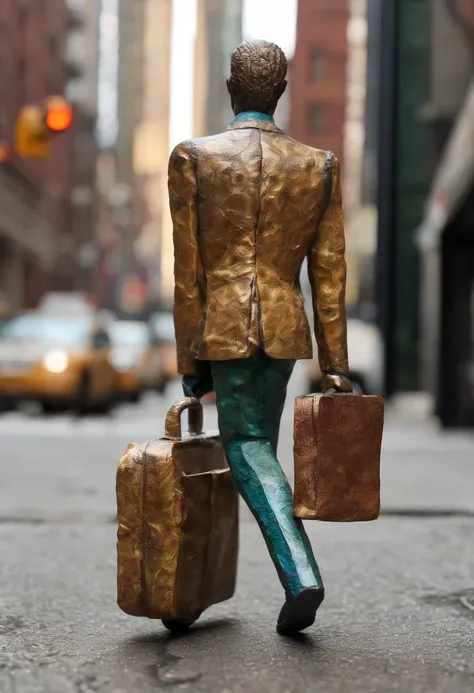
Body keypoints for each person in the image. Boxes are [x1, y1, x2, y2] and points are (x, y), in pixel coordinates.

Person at [168, 40, 352, 635]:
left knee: (246, 449)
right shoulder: (317, 164)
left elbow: (187, 271)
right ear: (281, 92)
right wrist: (337, 365)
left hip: (224, 327)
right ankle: (198, 586)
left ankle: (302, 576)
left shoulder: (194, 157)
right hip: (283, 325)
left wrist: (189, 360)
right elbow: (329, 274)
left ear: (231, 90)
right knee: (254, 447)